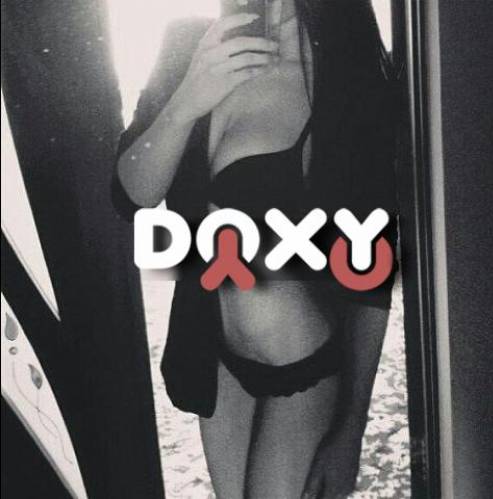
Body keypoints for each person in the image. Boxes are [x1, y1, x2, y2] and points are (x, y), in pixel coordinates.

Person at [112, 0, 399, 497]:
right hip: (213, 347)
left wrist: (352, 425)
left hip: (298, 353)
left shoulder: (344, 71)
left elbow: (370, 263)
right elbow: (132, 196)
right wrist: (188, 100)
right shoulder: (188, 47)